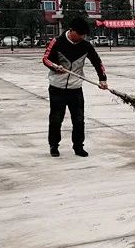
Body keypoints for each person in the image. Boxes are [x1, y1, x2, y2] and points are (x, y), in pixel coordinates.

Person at [42, 17, 108, 157]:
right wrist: (55, 67)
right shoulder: (57, 42)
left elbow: (97, 62)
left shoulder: (85, 45)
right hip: (57, 88)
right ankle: (54, 146)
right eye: (81, 34)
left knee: (78, 119)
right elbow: (45, 59)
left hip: (75, 89)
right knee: (56, 119)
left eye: (84, 35)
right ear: (72, 31)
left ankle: (78, 146)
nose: (82, 37)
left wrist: (102, 79)